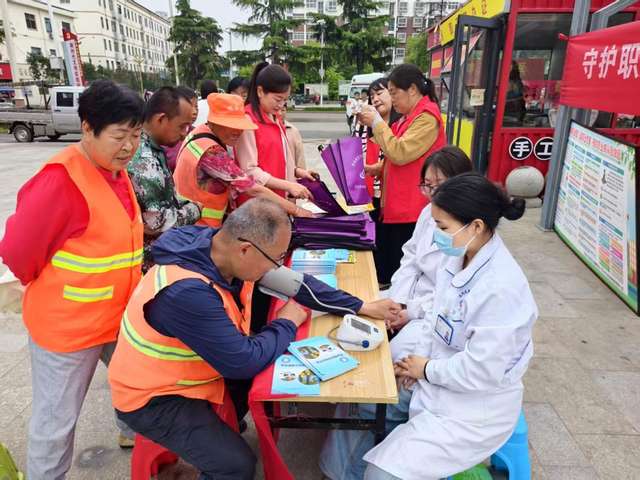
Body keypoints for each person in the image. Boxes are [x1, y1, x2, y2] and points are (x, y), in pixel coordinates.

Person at [108, 199, 400, 480]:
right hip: (154, 398)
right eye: (275, 259)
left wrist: (360, 306)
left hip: (193, 373)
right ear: (245, 249)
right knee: (236, 466)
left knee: (263, 380)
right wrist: (286, 322)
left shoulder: (221, 249)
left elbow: (299, 285)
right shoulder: (187, 293)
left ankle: (218, 431)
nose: (275, 268)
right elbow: (242, 362)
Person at [320, 172, 536, 480]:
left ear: (476, 226)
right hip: (438, 378)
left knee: (381, 474)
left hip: (473, 409)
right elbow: (438, 318)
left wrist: (426, 369)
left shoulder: (502, 289)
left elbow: (481, 371)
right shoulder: (458, 258)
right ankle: (339, 474)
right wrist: (416, 362)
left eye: (442, 227)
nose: (436, 236)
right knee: (364, 399)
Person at [0, 80, 145, 479]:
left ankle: (133, 435)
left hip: (116, 317)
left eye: (136, 135)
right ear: (87, 127)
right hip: (68, 327)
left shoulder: (114, 170)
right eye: (119, 135)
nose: (129, 146)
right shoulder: (60, 180)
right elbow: (18, 253)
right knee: (56, 422)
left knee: (139, 386)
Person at [357, 64, 446, 288]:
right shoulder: (409, 117)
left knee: (402, 271)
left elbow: (400, 153)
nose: (392, 99)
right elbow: (397, 156)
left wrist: (376, 122)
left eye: (393, 93)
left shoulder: (427, 118)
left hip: (412, 208)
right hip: (398, 205)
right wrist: (377, 168)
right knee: (388, 266)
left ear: (412, 90)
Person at [173, 93, 314, 227]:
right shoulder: (211, 151)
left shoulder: (200, 132)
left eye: (240, 126)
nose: (238, 132)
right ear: (213, 122)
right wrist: (296, 210)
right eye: (230, 125)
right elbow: (252, 189)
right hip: (196, 229)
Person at [384, 146, 473, 345]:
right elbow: (411, 256)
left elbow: (452, 294)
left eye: (440, 185)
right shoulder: (428, 212)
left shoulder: (468, 230)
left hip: (437, 312)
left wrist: (411, 312)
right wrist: (398, 301)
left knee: (395, 353)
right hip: (411, 296)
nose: (433, 194)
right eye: (427, 185)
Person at [128, 86, 201, 272]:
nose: (185, 133)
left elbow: (166, 196)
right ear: (161, 119)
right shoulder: (144, 159)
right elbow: (155, 222)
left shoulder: (152, 149)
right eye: (181, 126)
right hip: (146, 262)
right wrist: (194, 210)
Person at [236, 62, 317, 202]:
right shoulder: (248, 121)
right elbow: (249, 171)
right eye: (278, 99)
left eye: (285, 100)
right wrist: (288, 186)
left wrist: (299, 172)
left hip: (278, 202)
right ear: (260, 92)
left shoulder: (275, 118)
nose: (281, 105)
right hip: (256, 205)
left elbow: (279, 159)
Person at [163, 86, 198, 173]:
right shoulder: (165, 137)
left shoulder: (197, 133)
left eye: (196, 107)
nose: (195, 112)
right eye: (190, 107)